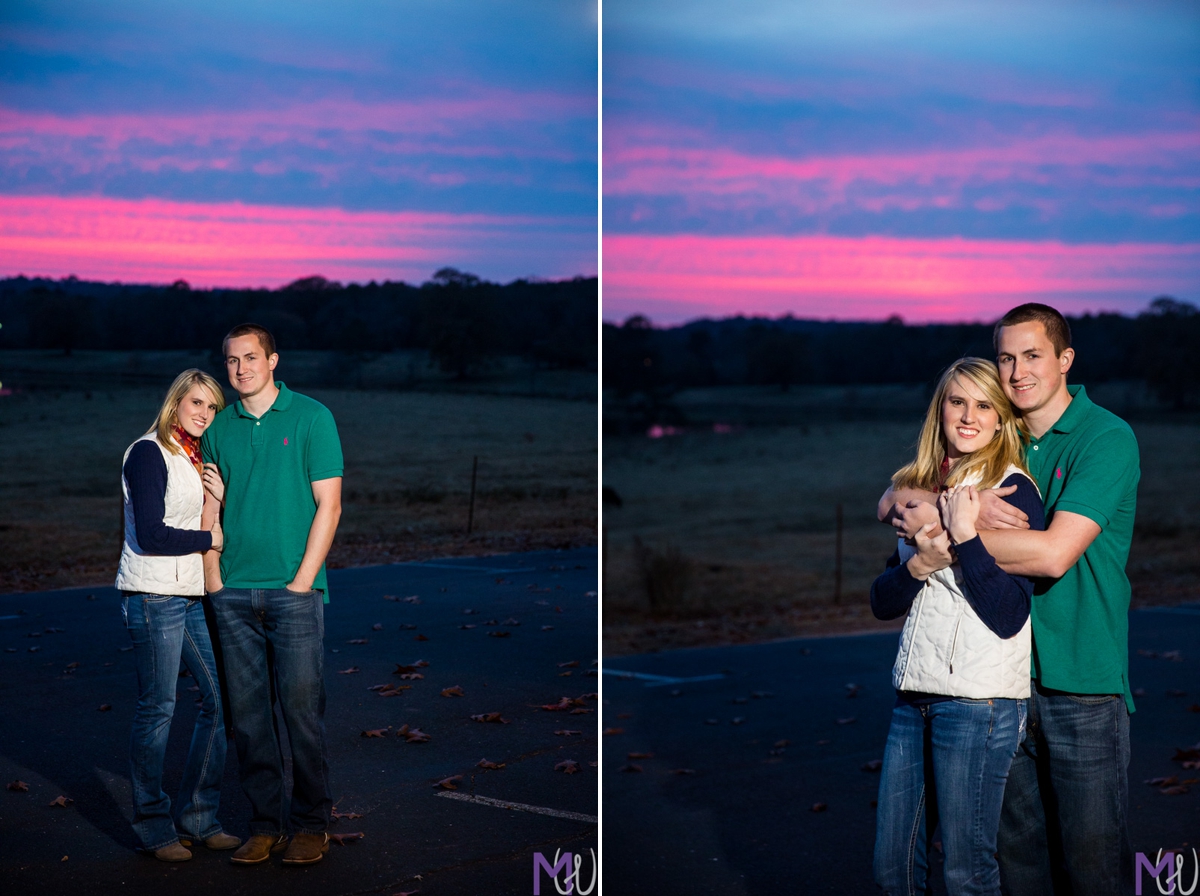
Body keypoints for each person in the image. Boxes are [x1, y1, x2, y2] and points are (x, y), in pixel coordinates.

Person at [880, 304, 1139, 894]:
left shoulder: (1106, 438)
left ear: (1065, 361)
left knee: (1091, 868)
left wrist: (955, 528)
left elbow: (1052, 554)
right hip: (1000, 684)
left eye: (1032, 356)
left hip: (1082, 677)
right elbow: (894, 493)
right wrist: (934, 506)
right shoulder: (1000, 430)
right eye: (1006, 357)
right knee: (1017, 865)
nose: (1018, 371)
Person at [870, 357, 1045, 896]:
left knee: (967, 872)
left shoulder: (1013, 492)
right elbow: (882, 601)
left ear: (1001, 420)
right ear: (940, 409)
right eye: (957, 401)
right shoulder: (918, 486)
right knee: (892, 868)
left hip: (978, 701)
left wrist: (966, 538)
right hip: (914, 693)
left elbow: (1009, 614)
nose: (968, 416)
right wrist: (917, 566)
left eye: (984, 405)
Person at [201, 323, 343, 866]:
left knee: (302, 713)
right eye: (231, 360)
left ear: (273, 360)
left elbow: (328, 506)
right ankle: (264, 824)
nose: (240, 369)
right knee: (250, 718)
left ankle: (311, 823)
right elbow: (212, 503)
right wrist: (214, 575)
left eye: (250, 358)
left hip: (293, 593)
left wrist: (303, 580)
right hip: (233, 591)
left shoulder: (312, 417)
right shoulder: (219, 427)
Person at [116, 369, 241, 862]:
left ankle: (198, 816)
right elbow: (151, 533)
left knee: (221, 701)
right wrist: (210, 539)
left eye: (213, 407)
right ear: (176, 401)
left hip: (188, 594)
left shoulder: (193, 453)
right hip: (151, 595)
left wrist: (220, 501)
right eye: (197, 403)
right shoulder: (149, 452)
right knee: (158, 708)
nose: (205, 414)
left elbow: (196, 517)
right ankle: (152, 822)